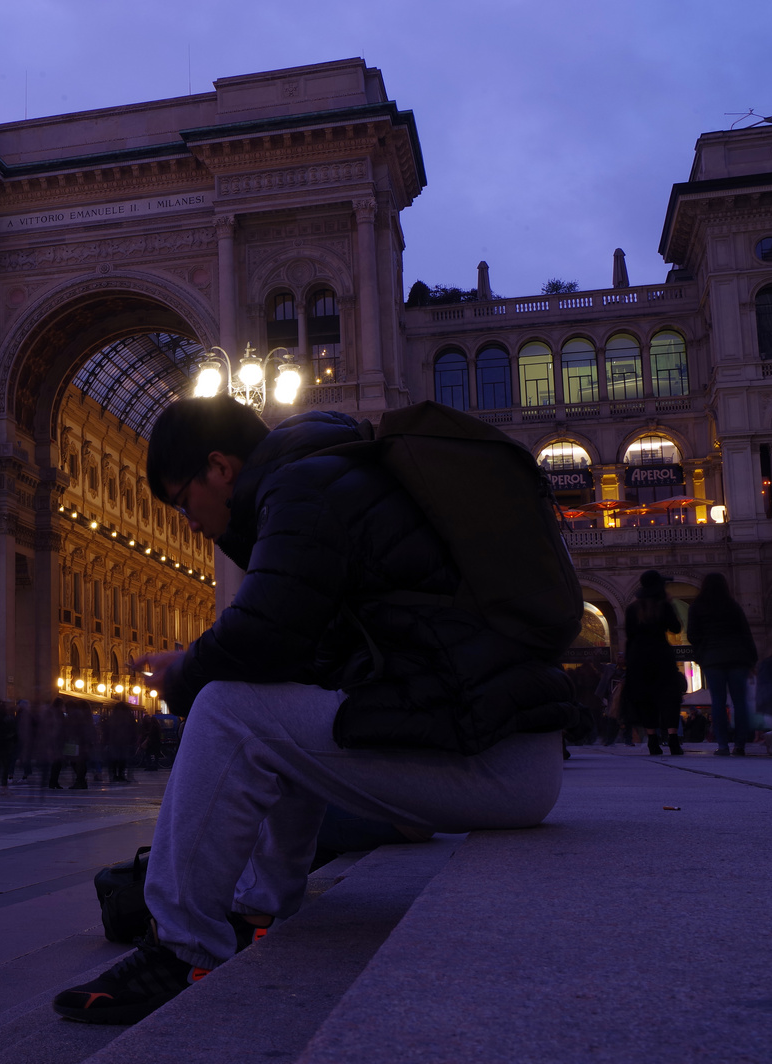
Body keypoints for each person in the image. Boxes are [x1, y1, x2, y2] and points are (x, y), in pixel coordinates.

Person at [52, 397, 577, 1025]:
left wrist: (185, 670)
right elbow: (295, 662)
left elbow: (265, 630)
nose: (188, 522)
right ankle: (258, 911)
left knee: (224, 709)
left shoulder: (305, 486)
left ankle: (180, 949)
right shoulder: (329, 469)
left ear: (219, 468)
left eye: (182, 500)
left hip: (493, 765)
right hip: (507, 755)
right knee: (271, 705)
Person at [687, 572, 757, 756]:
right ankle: (740, 744)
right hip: (738, 657)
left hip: (713, 658)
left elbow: (692, 635)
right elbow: (746, 633)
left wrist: (701, 652)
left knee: (718, 702)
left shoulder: (697, 607)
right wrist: (753, 659)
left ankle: (723, 745)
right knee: (739, 702)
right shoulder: (732, 606)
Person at [621, 570, 687, 756]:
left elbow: (630, 636)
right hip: (661, 656)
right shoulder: (663, 606)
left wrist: (628, 662)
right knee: (669, 697)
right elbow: (676, 628)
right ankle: (673, 741)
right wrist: (670, 603)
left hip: (638, 658)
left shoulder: (632, 609)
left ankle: (652, 741)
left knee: (646, 699)